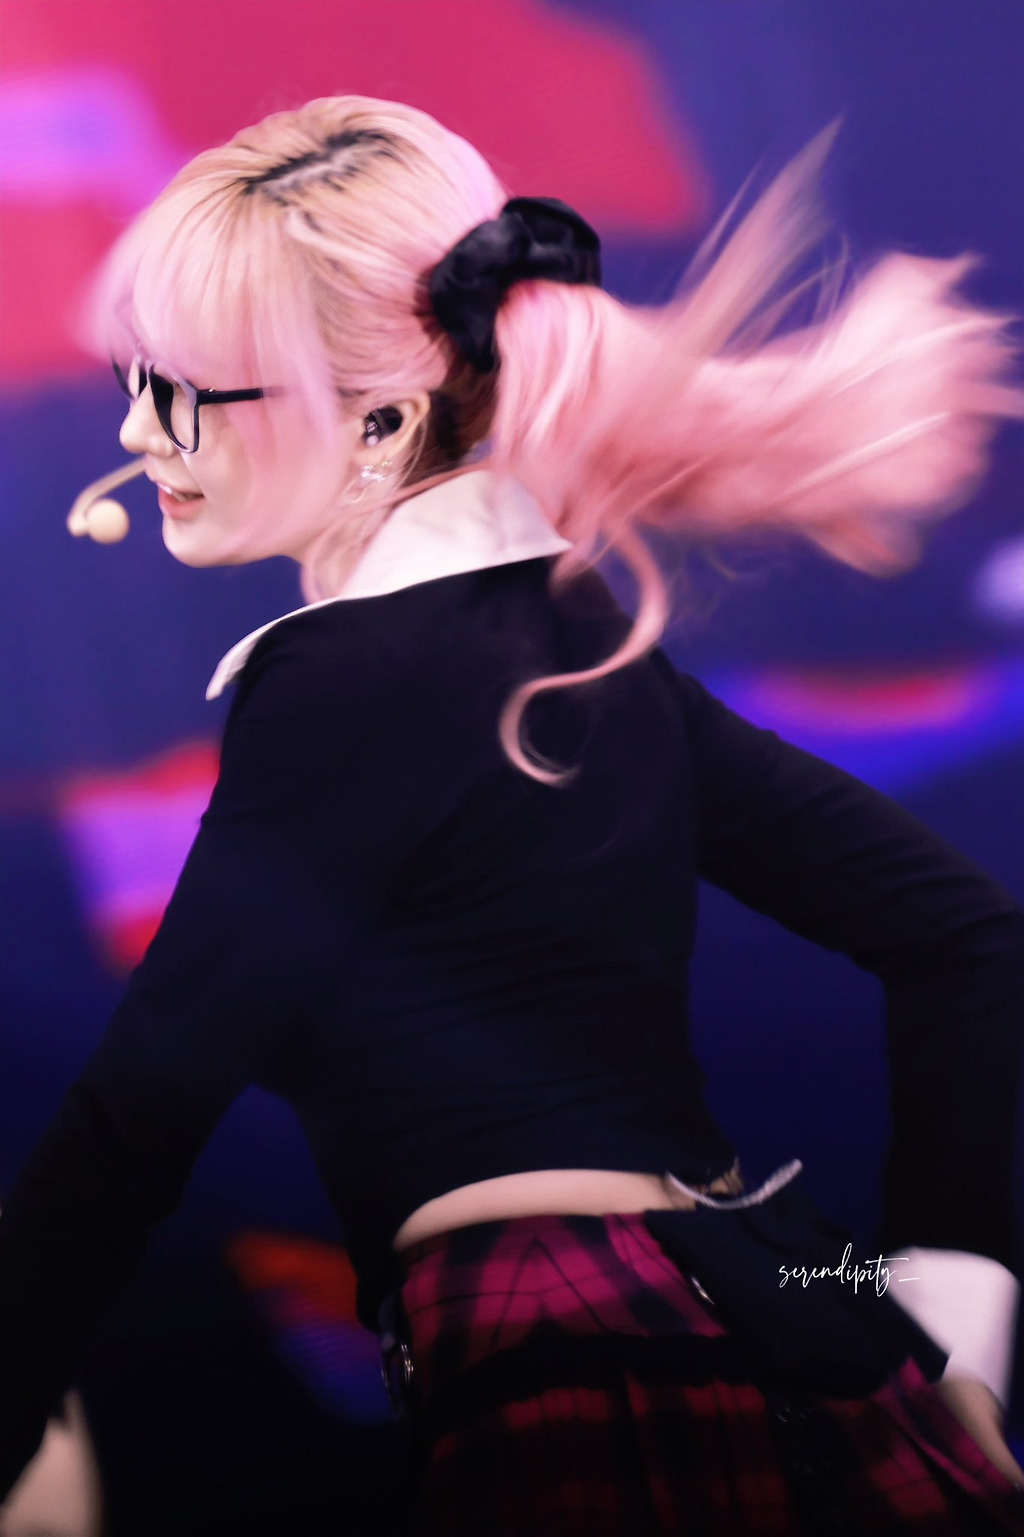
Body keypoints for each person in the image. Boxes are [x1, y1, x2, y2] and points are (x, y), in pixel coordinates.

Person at [1, 95, 1023, 1535]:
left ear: (381, 419)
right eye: (135, 377)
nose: (133, 429)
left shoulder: (346, 682)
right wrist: (944, 1337)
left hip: (581, 1376)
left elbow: (139, 1116)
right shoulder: (580, 649)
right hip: (807, 1325)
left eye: (181, 390)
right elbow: (967, 936)